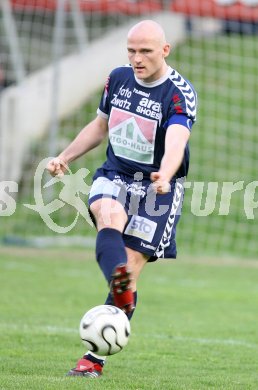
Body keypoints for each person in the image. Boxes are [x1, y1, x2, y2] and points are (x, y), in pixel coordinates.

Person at [47, 19, 197, 378]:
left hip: (158, 187)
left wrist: (166, 169)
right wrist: (65, 156)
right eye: (131, 50)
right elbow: (100, 125)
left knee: (130, 266)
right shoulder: (117, 78)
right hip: (116, 173)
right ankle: (121, 287)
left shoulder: (178, 93)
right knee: (105, 211)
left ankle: (93, 359)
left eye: (145, 51)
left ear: (165, 50)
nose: (136, 58)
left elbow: (177, 138)